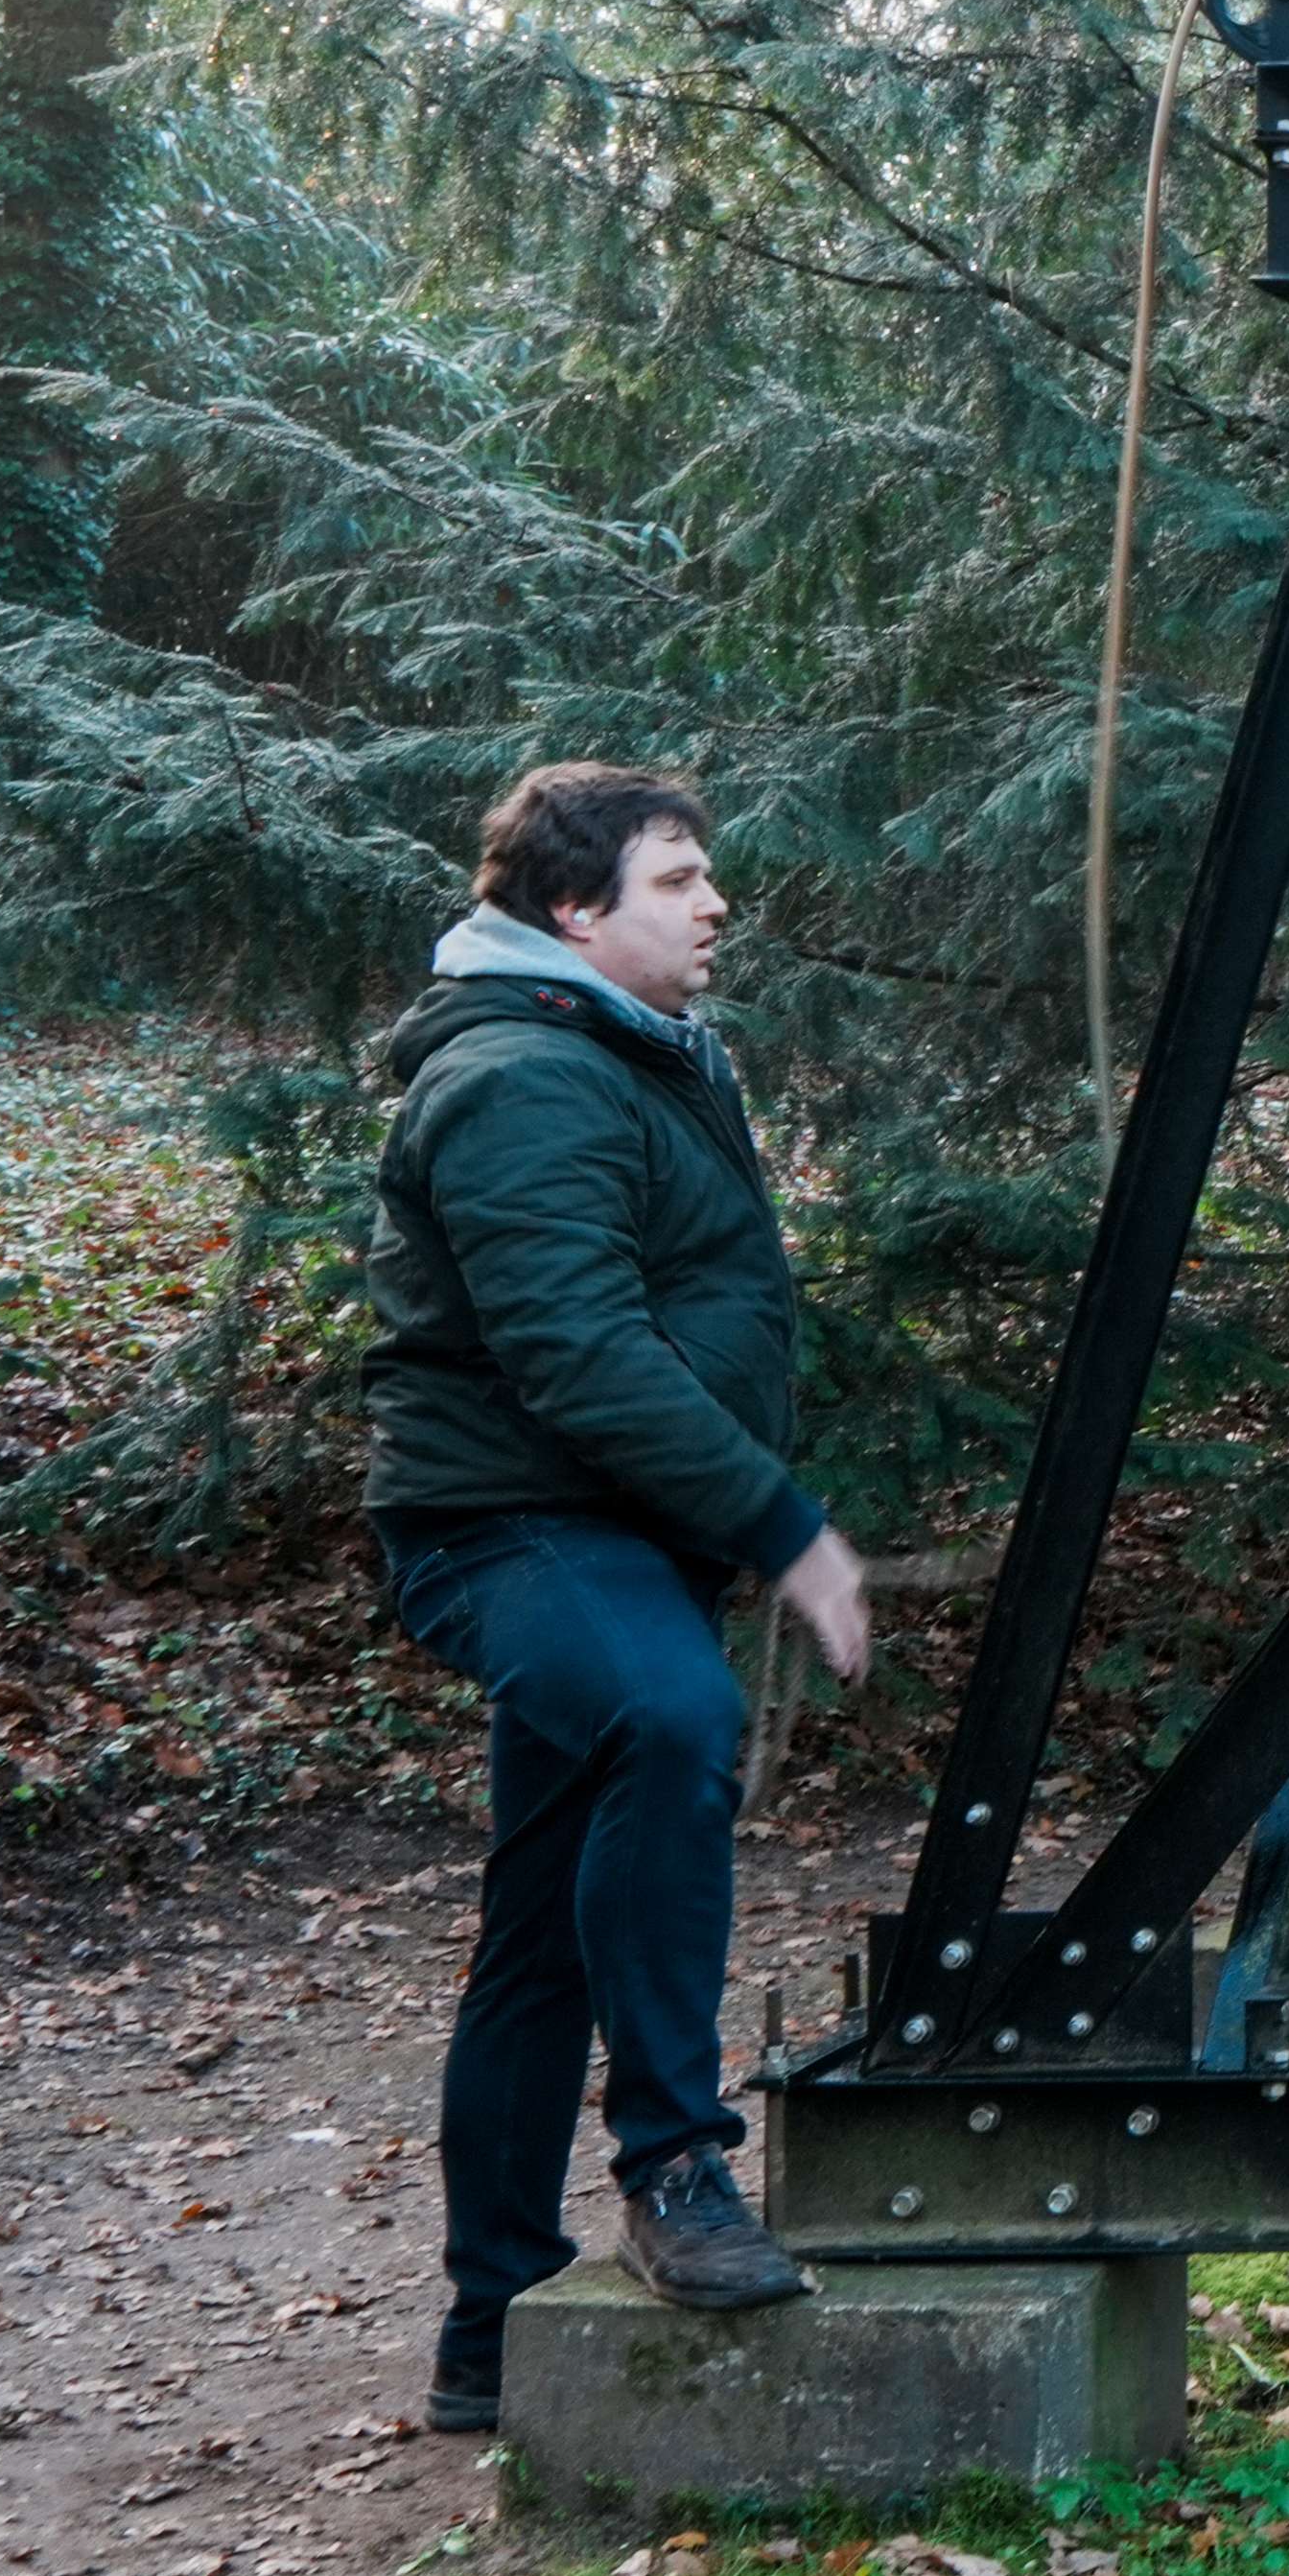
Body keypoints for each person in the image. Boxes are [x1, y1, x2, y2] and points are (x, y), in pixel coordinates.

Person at [364, 762, 872, 2433]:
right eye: (678, 879)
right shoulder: (522, 1073)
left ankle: (493, 2333)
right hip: (510, 1526)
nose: (715, 904)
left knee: (535, 1939)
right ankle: (676, 2169)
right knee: (673, 1719)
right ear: (575, 913)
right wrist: (785, 1528)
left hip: (607, 1532)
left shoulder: (633, 1052)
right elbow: (579, 1356)